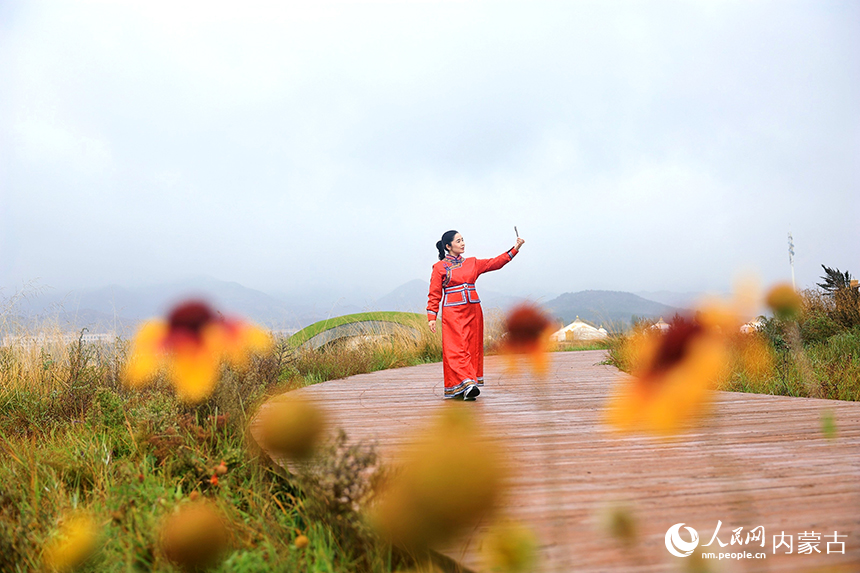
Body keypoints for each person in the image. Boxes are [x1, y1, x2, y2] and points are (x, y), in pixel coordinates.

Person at [427, 230, 525, 400]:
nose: (463, 243)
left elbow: (495, 263)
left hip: (473, 311)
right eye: (458, 241)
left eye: (463, 240)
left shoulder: (472, 263)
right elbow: (434, 294)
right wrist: (432, 317)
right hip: (453, 313)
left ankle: (467, 385)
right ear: (448, 246)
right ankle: (467, 383)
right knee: (456, 349)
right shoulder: (439, 267)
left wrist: (515, 248)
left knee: (472, 348)